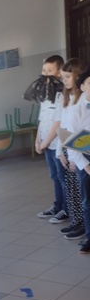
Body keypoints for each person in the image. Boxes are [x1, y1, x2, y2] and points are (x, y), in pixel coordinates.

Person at [34, 55, 68, 222]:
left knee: (62, 178)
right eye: (44, 70)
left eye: (50, 70)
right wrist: (38, 140)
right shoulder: (45, 93)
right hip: (46, 143)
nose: (46, 74)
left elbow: (58, 122)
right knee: (54, 176)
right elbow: (42, 119)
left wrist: (46, 141)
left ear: (59, 72)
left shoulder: (62, 93)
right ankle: (57, 206)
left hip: (57, 143)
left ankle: (66, 209)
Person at [55, 58, 85, 239]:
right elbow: (63, 127)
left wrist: (75, 157)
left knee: (81, 191)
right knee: (72, 189)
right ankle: (75, 221)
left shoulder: (83, 98)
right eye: (63, 77)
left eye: (68, 76)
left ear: (78, 76)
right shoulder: (67, 97)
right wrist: (60, 151)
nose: (64, 80)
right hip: (67, 147)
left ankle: (83, 224)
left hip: (79, 150)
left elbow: (80, 131)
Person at [65, 67, 90, 254]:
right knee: (88, 201)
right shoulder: (77, 110)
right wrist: (87, 167)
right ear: (82, 86)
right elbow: (72, 144)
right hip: (86, 160)